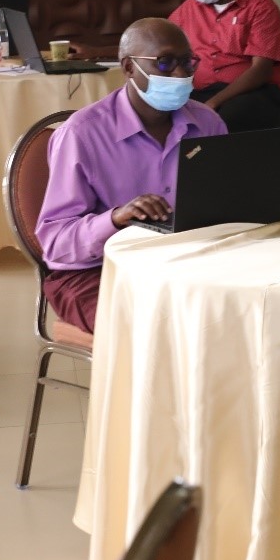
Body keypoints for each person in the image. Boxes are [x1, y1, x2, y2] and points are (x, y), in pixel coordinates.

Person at [35, 18, 225, 332]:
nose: (180, 74)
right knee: (152, 327)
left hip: (187, 259)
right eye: (164, 63)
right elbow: (55, 244)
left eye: (187, 62)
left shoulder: (208, 123)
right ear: (128, 68)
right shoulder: (82, 135)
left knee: (243, 312)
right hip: (96, 271)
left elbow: (225, 200)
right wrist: (116, 218)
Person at [167, 0, 280, 133]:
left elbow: (261, 71)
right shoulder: (188, 9)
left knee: (226, 120)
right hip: (200, 92)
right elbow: (164, 42)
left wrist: (214, 102)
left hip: (252, 92)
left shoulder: (260, 7)